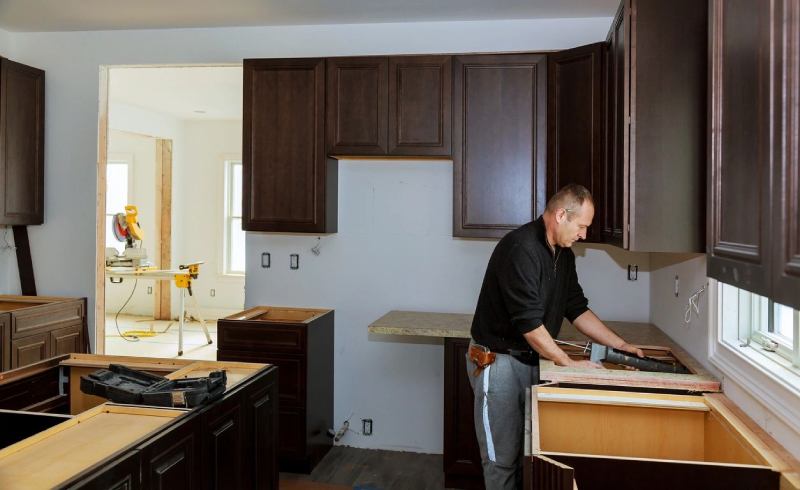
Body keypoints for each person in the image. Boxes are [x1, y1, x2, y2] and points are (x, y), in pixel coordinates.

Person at [466, 183, 644, 490]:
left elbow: (576, 308)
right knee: (501, 462)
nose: (584, 235)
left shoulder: (563, 254)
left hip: (533, 360)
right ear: (561, 215)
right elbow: (528, 322)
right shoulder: (520, 249)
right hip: (498, 364)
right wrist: (566, 361)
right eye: (582, 226)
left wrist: (620, 345)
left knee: (528, 459)